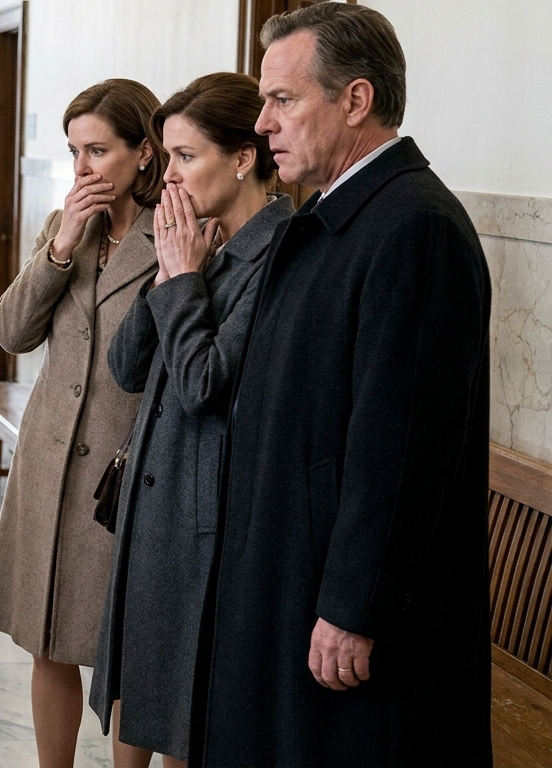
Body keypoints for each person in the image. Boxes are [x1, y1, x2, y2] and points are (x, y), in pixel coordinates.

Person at [195, 5, 492, 765]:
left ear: (356, 100)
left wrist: (354, 606)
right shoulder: (338, 217)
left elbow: (402, 443)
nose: (262, 123)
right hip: (290, 576)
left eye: (283, 99)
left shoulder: (414, 227)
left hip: (343, 616)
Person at [88, 72, 294, 768]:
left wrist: (182, 281)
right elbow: (126, 367)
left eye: (185, 156)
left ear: (242, 159)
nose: (168, 176)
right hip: (157, 500)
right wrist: (170, 272)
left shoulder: (277, 255)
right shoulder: (203, 240)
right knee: (139, 688)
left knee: (182, 707)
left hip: (204, 516)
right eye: (168, 155)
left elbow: (205, 384)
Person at [0, 79, 166, 768]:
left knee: (127, 653)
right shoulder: (67, 227)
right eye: (74, 151)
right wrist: (59, 248)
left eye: (98, 150)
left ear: (144, 153)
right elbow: (11, 332)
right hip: (49, 462)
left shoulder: (176, 232)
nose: (83, 168)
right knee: (47, 641)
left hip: (124, 471)